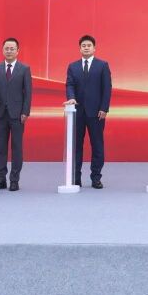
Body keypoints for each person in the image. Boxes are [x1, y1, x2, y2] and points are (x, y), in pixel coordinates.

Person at [64, 35, 111, 188]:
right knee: (76, 146)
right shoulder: (73, 66)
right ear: (80, 48)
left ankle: (96, 177)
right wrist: (71, 98)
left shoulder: (102, 65)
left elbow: (107, 88)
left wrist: (104, 108)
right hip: (77, 112)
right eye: (83, 45)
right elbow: (69, 85)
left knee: (97, 145)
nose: (86, 47)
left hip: (96, 113)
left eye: (89, 45)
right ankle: (75, 177)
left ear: (94, 48)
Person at [0, 38, 32, 191]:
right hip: (0, 113)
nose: (9, 51)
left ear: (17, 51)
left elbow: (28, 92)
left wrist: (25, 111)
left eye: (12, 49)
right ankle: (1, 178)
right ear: (2, 50)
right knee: (0, 148)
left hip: (17, 115)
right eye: (6, 48)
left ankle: (14, 179)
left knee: (17, 148)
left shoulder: (24, 69)